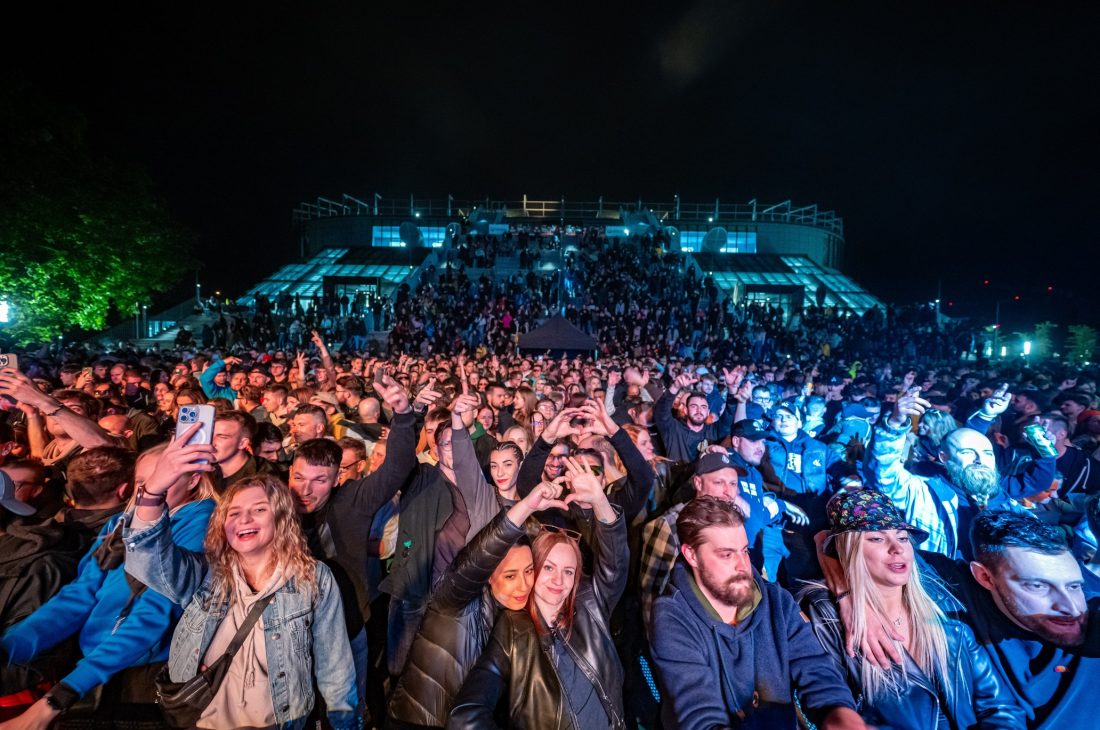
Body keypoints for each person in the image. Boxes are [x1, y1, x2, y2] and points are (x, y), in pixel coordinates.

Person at [123, 431, 358, 730]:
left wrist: (344, 721)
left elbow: (334, 663)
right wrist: (154, 489)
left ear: (281, 518)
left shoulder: (313, 577)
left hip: (278, 722)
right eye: (234, 513)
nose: (244, 520)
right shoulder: (207, 573)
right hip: (203, 721)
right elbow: (144, 558)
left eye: (259, 510)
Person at [0, 445, 215, 729]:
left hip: (145, 676)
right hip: (96, 665)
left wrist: (56, 699)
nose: (151, 489)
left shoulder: (203, 523)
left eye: (164, 477)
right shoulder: (120, 523)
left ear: (193, 479)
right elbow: (79, 596)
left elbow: (153, 617)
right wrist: (8, 648)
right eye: (143, 482)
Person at [802, 489, 1023, 729]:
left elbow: (1001, 708)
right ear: (849, 551)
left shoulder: (946, 611)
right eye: (876, 538)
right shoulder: (828, 624)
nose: (897, 548)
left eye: (903, 538)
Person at [648, 496, 864, 730]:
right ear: (691, 555)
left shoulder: (776, 601)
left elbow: (816, 669)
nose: (742, 566)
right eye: (727, 555)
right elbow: (699, 714)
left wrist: (840, 714)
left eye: (744, 551)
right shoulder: (672, 617)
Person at [449, 458, 629, 729]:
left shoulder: (589, 604)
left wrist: (600, 501)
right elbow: (466, 714)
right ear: (533, 569)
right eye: (549, 568)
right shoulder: (513, 628)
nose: (559, 580)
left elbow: (615, 565)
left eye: (569, 571)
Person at [388, 481, 565, 728]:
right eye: (510, 576)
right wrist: (524, 508)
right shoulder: (453, 600)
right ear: (488, 575)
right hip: (418, 720)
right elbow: (477, 558)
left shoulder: (515, 615)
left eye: (529, 571)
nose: (524, 585)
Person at [872, 387, 1055, 559]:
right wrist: (894, 423)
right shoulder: (924, 490)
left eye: (988, 454)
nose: (979, 460)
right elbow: (884, 474)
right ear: (943, 457)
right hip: (949, 584)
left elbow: (1036, 482)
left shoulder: (997, 488)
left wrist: (1045, 450)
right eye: (968, 453)